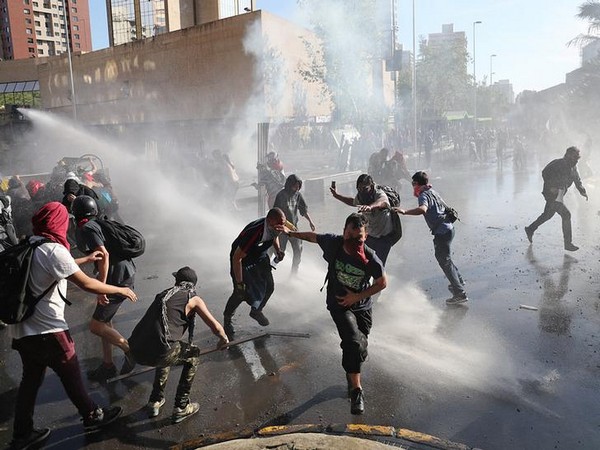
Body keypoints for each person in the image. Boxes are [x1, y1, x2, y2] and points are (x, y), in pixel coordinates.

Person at [7, 202, 137, 450]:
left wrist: (85, 258)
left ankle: (22, 434)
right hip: (48, 329)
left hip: (23, 331)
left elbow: (51, 266)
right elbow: (88, 284)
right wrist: (120, 288)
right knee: (70, 371)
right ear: (56, 222)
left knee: (30, 382)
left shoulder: (30, 243)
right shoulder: (54, 250)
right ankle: (92, 415)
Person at [282, 213, 387, 415]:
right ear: (344, 231)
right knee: (353, 342)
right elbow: (314, 237)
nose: (352, 241)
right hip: (339, 304)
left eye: (358, 238)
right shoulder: (334, 243)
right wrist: (292, 234)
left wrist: (357, 298)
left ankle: (352, 370)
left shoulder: (370, 256)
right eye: (349, 235)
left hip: (362, 306)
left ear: (365, 237)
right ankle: (356, 390)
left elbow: (382, 282)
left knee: (360, 345)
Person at [128, 267, 229, 423]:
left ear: (177, 281)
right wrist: (224, 340)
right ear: (193, 285)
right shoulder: (193, 299)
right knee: (193, 355)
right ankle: (181, 407)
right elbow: (216, 327)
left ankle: (155, 401)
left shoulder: (163, 295)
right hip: (159, 351)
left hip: (136, 348)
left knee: (168, 349)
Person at [72, 195, 137, 381]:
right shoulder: (97, 223)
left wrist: (101, 287)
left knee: (96, 325)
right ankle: (108, 365)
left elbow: (103, 255)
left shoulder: (87, 228)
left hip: (117, 278)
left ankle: (130, 351)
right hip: (124, 272)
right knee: (104, 322)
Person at [397, 171, 468, 305]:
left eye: (413, 184)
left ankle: (459, 293)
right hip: (449, 229)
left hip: (442, 232)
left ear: (417, 184)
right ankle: (458, 281)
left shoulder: (423, 195)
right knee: (446, 258)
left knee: (444, 260)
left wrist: (405, 212)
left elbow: (422, 209)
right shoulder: (432, 191)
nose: (413, 186)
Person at [223, 208, 286, 339]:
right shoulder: (255, 232)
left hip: (260, 256)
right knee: (240, 293)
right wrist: (239, 283)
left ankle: (256, 311)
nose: (281, 228)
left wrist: (278, 250)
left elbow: (274, 236)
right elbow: (237, 258)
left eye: (282, 225)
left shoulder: (276, 226)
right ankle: (227, 319)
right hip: (241, 258)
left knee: (270, 286)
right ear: (269, 221)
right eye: (278, 225)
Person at [525, 146, 588, 251]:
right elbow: (545, 172)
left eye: (577, 157)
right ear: (568, 155)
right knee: (566, 214)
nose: (576, 159)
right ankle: (568, 244)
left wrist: (582, 191)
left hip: (559, 195)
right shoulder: (558, 163)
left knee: (547, 215)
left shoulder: (573, 167)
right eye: (574, 157)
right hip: (551, 194)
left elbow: (577, 179)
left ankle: (530, 229)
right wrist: (551, 186)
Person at [330, 174, 396, 265]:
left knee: (378, 264)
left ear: (372, 186)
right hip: (370, 236)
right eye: (359, 189)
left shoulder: (379, 193)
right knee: (362, 261)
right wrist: (337, 196)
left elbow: (382, 202)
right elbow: (353, 202)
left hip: (384, 237)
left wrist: (370, 207)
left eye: (365, 189)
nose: (362, 191)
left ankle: (378, 279)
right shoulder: (360, 196)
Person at [273, 174, 316, 275]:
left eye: (298, 186)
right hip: (282, 230)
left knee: (298, 251)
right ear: (289, 184)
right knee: (280, 251)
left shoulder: (298, 195)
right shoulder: (281, 195)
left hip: (294, 229)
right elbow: (275, 212)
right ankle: (272, 268)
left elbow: (303, 210)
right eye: (295, 185)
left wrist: (310, 221)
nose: (297, 188)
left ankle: (294, 274)